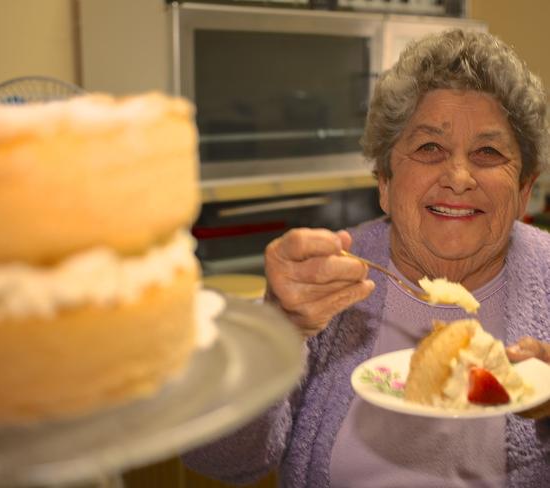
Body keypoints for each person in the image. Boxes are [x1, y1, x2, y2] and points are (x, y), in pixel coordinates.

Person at [183, 29, 550, 487]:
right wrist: (275, 329)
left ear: (523, 191)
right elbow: (221, 460)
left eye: (488, 152)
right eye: (429, 147)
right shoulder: (325, 281)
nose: (458, 177)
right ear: (385, 183)